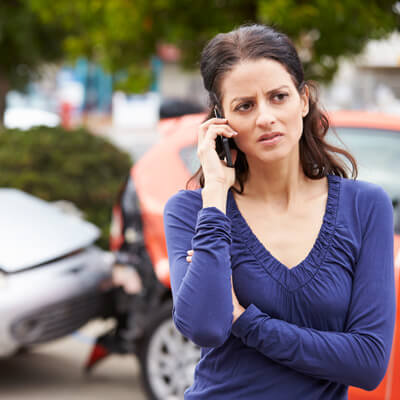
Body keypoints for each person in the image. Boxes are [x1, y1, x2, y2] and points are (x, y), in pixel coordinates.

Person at [163, 24, 396, 399]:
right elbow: (205, 326)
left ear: (303, 100)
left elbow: (367, 362)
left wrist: (244, 320)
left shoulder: (365, 207)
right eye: (245, 105)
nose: (265, 117)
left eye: (278, 97)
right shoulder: (192, 210)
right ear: (222, 121)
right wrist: (217, 192)